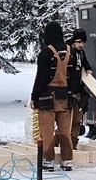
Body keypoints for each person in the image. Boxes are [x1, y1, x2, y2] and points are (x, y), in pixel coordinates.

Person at [31, 20, 73, 171]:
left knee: (47, 131)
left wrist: (34, 96)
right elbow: (74, 76)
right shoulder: (70, 51)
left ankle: (48, 161)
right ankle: (67, 160)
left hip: (48, 98)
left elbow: (41, 77)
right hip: (66, 98)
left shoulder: (46, 52)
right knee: (64, 131)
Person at [68, 28, 90, 141]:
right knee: (67, 121)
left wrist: (88, 69)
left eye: (83, 43)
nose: (81, 45)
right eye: (79, 42)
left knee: (77, 120)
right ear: (74, 41)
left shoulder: (81, 52)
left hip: (79, 89)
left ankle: (73, 142)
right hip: (68, 90)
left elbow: (85, 61)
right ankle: (60, 142)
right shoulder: (68, 51)